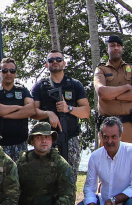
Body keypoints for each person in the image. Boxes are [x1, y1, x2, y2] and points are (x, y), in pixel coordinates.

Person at [31, 49, 91, 179]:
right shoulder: (40, 86)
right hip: (46, 141)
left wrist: (68, 108)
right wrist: (48, 114)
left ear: (64, 63)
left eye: (58, 59)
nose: (55, 62)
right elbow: (33, 112)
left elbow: (86, 112)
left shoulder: (75, 85)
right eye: (51, 60)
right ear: (47, 65)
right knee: (45, 181)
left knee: (69, 180)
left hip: (70, 139)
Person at [94, 35, 132, 145]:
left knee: (130, 159)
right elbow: (102, 92)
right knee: (107, 160)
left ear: (122, 48)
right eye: (112, 45)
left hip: (129, 127)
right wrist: (126, 88)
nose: (116, 48)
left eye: (119, 45)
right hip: (108, 127)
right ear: (107, 49)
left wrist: (113, 96)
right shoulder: (101, 70)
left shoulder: (131, 69)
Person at [0, 58, 35, 161]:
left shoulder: (22, 90)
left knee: (21, 176)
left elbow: (31, 110)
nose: (8, 73)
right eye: (5, 70)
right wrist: (19, 107)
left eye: (12, 71)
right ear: (0, 73)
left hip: (20, 144)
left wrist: (6, 115)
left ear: (15, 73)